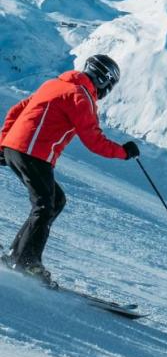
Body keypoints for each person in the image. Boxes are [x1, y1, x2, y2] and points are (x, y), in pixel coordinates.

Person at [0, 55, 140, 287]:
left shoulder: (54, 84)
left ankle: (18, 255)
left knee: (55, 200)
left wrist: (4, 144)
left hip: (18, 150)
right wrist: (124, 152)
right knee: (45, 205)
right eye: (110, 85)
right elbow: (94, 141)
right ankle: (26, 262)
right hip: (33, 153)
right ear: (104, 80)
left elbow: (16, 110)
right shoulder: (80, 97)